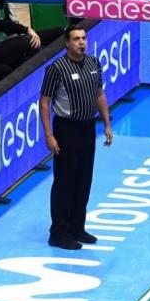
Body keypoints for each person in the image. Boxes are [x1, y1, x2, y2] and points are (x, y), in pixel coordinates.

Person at [39, 25, 113, 251]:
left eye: (84, 38)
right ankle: (59, 233)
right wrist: (49, 135)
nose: (81, 42)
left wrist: (107, 123)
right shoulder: (56, 68)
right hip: (66, 129)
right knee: (65, 182)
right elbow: (44, 102)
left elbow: (99, 94)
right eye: (76, 39)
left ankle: (77, 227)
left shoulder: (93, 62)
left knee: (83, 180)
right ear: (66, 43)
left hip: (88, 127)